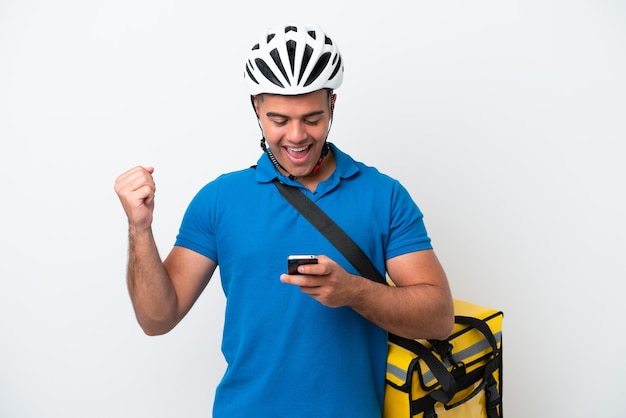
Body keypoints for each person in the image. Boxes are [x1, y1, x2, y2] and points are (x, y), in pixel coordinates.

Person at [114, 24, 454, 418]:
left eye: (312, 118)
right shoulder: (220, 199)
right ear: (256, 107)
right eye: (279, 119)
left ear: (333, 105)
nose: (296, 137)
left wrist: (353, 292)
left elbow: (439, 317)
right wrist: (139, 229)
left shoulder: (384, 195)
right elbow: (157, 319)